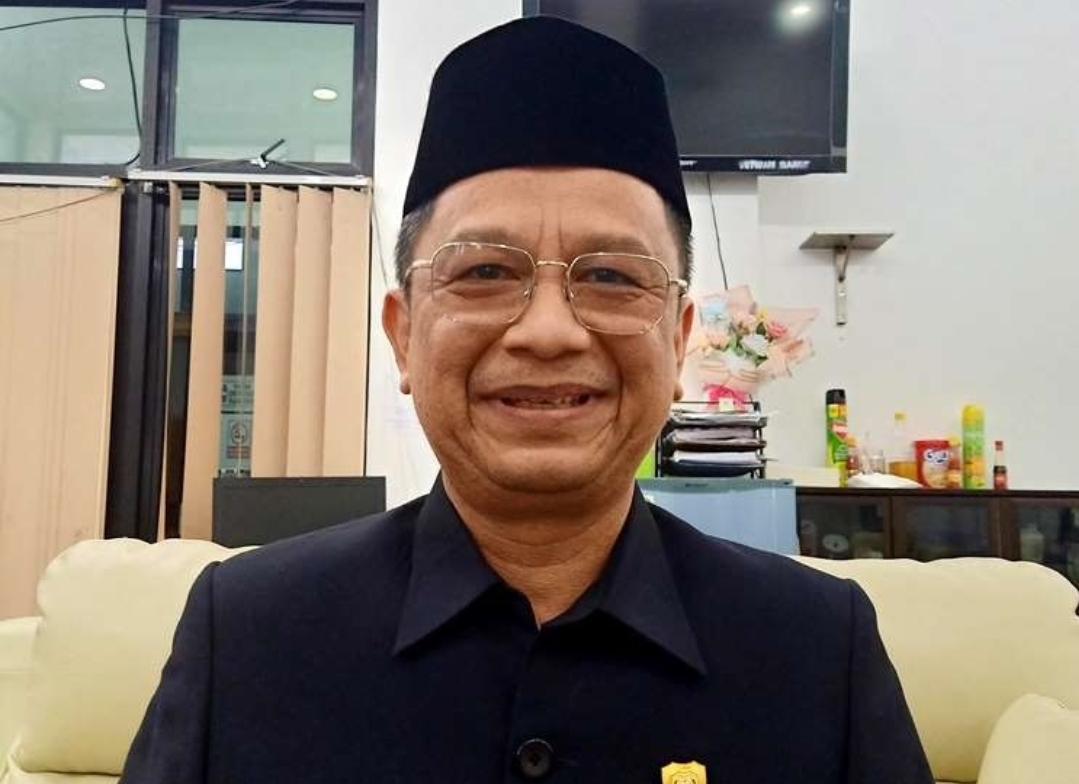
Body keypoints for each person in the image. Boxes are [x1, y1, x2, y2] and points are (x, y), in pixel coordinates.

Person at [120, 16, 933, 784]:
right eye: (484, 271)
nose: (548, 332)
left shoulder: (818, 650)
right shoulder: (249, 633)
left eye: (610, 276)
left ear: (678, 340)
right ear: (403, 336)